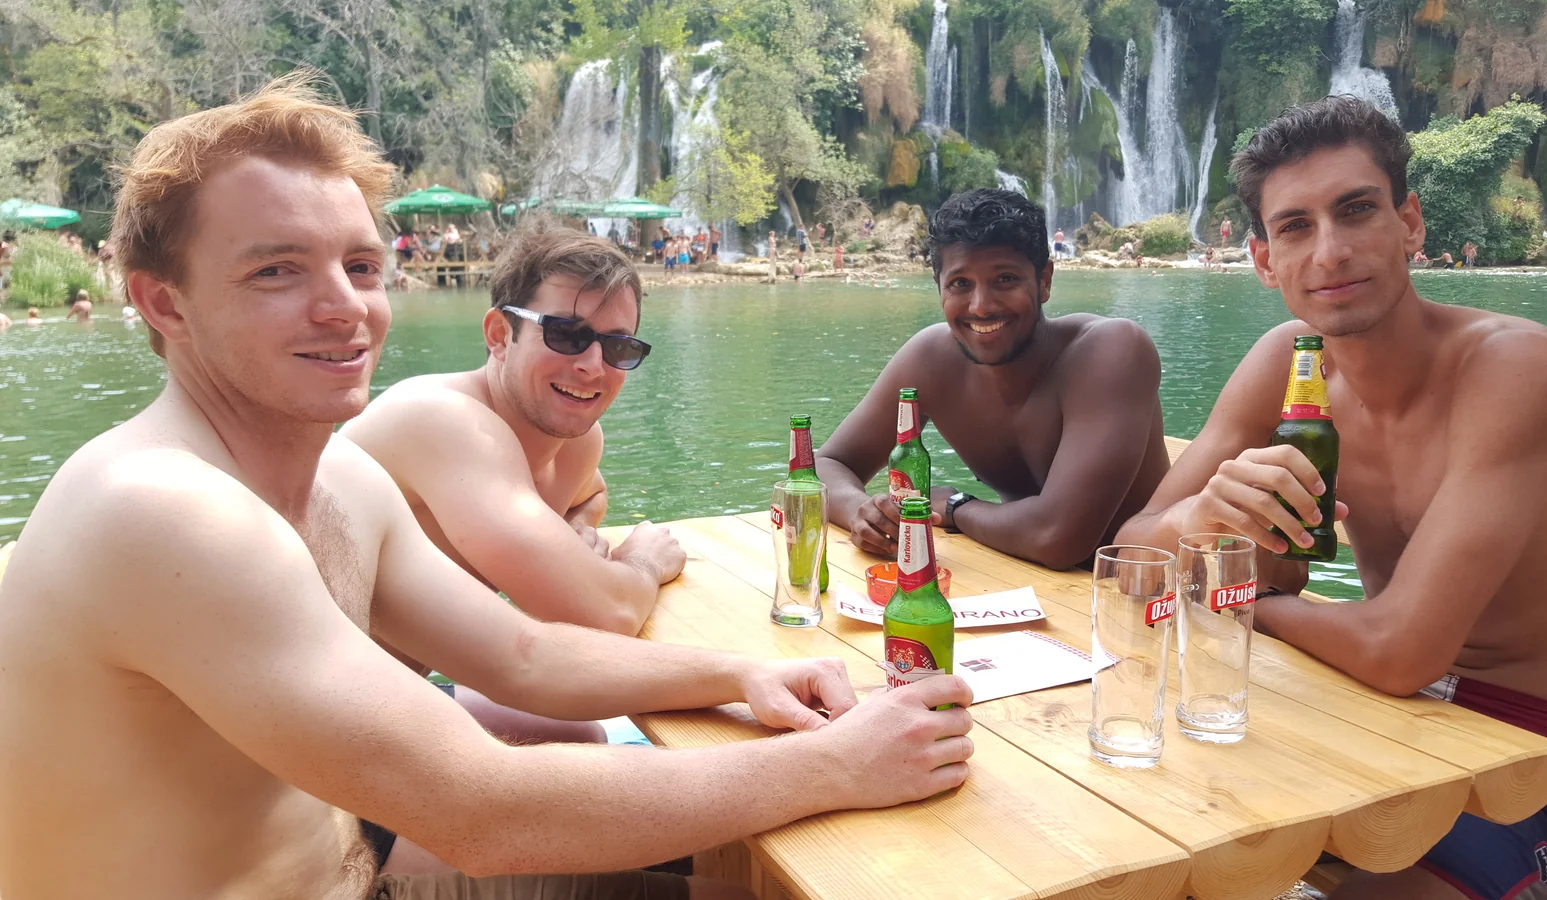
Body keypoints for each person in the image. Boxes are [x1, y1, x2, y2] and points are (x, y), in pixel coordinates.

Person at [0, 74, 975, 900]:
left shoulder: (336, 476)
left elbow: (522, 653)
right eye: (276, 271)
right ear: (163, 302)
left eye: (360, 264)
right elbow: (479, 811)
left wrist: (738, 675)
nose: (345, 306)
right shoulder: (161, 509)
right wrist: (831, 764)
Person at [1116, 96, 1547, 900]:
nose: (1331, 251)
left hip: (1510, 758)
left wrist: (1233, 600)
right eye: (1297, 227)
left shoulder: (1515, 368)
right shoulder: (1286, 361)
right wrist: (1194, 520)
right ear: (1265, 260)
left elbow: (1402, 652)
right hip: (1348, 711)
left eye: (1357, 210)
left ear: (1409, 222)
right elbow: (1134, 553)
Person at [344, 224, 687, 641]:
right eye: (567, 334)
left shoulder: (579, 443)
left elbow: (594, 493)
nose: (594, 365)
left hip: (390, 695)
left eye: (619, 346)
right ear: (500, 335)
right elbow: (607, 614)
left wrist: (573, 527)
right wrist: (644, 561)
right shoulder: (439, 420)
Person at [815, 188, 1170, 571]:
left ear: (1045, 281)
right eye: (960, 284)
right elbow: (826, 463)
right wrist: (861, 513)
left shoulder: (1111, 351)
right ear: (939, 287)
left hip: (1143, 595)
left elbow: (1059, 538)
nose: (981, 306)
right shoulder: (932, 360)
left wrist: (956, 507)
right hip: (1033, 585)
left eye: (1005, 278)